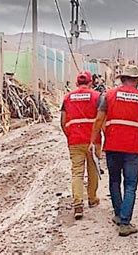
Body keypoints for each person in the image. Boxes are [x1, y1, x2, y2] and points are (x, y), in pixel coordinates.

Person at [90, 65, 138, 237]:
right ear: (136, 81)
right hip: (134, 147)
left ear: (122, 79)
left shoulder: (109, 95)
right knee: (130, 184)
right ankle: (125, 222)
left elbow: (99, 119)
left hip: (113, 145)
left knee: (114, 181)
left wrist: (93, 141)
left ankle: (119, 215)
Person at [61, 71, 101, 220]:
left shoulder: (67, 98)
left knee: (77, 172)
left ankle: (78, 203)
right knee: (93, 170)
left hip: (75, 141)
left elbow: (63, 121)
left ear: (77, 84)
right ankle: (92, 198)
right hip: (93, 140)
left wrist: (69, 136)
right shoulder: (97, 97)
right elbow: (101, 119)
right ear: (91, 83)